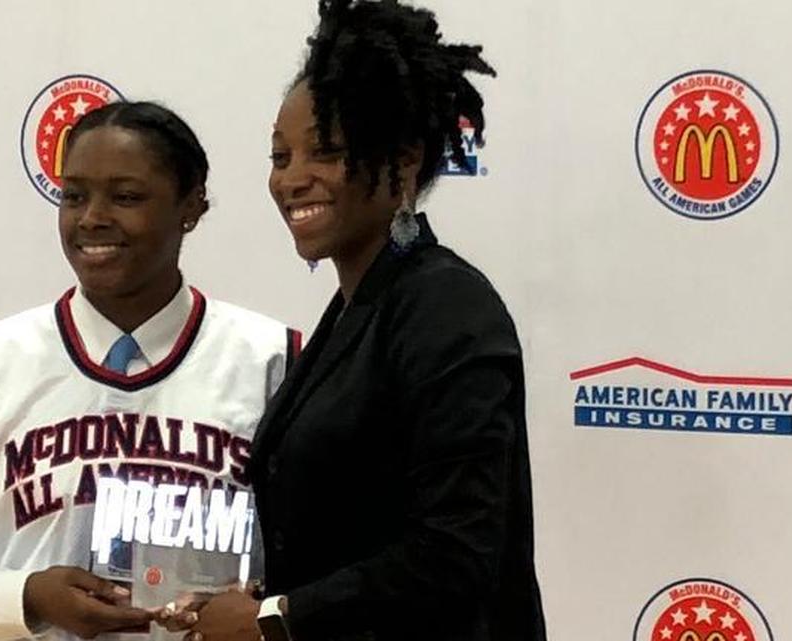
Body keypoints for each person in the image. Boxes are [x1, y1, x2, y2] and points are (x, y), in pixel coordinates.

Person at [164, 1, 547, 640]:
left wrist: (272, 620)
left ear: (401, 164)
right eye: (280, 157)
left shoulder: (447, 308)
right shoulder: (356, 308)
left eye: (328, 151)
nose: (292, 179)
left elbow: (456, 555)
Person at [0, 101, 300, 641]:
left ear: (191, 206)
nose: (92, 217)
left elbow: (325, 565)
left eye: (126, 196)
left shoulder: (273, 360)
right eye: (73, 196)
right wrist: (27, 596)